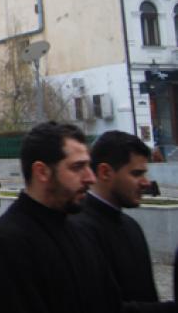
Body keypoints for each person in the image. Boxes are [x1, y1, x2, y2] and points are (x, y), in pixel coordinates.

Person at [0, 122, 122, 313]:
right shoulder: (5, 244)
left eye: (89, 166)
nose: (90, 178)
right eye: (77, 167)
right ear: (42, 172)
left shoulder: (83, 231)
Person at [71, 131, 177, 311]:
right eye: (136, 174)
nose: (145, 183)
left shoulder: (131, 226)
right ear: (105, 172)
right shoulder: (77, 231)